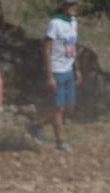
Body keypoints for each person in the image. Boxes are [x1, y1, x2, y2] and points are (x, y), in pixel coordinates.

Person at [29, 0, 80, 152]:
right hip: (57, 70)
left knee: (69, 107)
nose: (73, 7)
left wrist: (77, 67)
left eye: (74, 4)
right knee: (58, 108)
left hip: (69, 69)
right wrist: (50, 75)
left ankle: (37, 125)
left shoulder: (73, 22)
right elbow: (46, 50)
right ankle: (60, 142)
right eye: (70, 4)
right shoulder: (54, 23)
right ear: (63, 6)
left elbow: (73, 46)